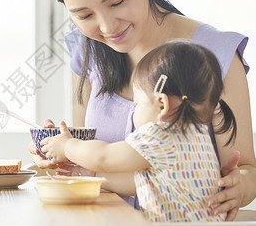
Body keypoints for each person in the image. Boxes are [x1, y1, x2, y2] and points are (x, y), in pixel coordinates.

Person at [29, 0, 256, 220]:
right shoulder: (87, 50)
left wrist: (240, 186)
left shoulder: (213, 54)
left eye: (117, 1)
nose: (108, 27)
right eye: (84, 15)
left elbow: (248, 171)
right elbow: (91, 158)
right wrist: (58, 150)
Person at [42, 41, 237, 222]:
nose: (134, 111)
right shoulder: (199, 136)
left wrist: (67, 145)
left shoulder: (161, 135)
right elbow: (142, 185)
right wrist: (91, 175)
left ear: (162, 104)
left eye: (138, 104)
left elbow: (104, 156)